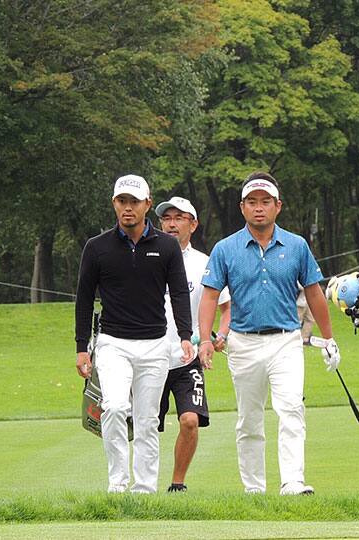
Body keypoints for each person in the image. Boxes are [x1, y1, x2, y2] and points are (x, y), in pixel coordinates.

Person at [198, 171, 340, 496]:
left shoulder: (297, 245)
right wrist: (205, 339)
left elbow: (314, 292)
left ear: (278, 206)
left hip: (286, 340)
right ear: (242, 207)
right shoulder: (225, 249)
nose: (258, 208)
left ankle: (292, 481)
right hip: (243, 342)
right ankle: (254, 489)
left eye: (265, 201)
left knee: (291, 408)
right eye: (252, 202)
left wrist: (329, 338)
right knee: (249, 420)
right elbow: (210, 296)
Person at [75, 174, 195, 494]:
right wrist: (81, 347)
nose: (128, 208)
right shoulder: (96, 247)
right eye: (122, 201)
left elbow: (179, 293)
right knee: (114, 407)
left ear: (147, 204)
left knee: (147, 420)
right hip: (112, 343)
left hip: (155, 344)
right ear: (114, 203)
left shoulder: (167, 246)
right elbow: (84, 299)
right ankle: (118, 483)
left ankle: (144, 489)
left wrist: (185, 335)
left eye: (134, 201)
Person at [154, 196, 232, 493]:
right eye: (166, 218)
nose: (171, 224)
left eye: (179, 218)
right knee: (144, 425)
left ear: (194, 224)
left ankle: (177, 484)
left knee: (190, 420)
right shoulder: (147, 256)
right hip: (149, 355)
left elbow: (226, 307)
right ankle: (141, 485)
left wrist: (219, 335)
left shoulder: (205, 263)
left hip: (187, 359)